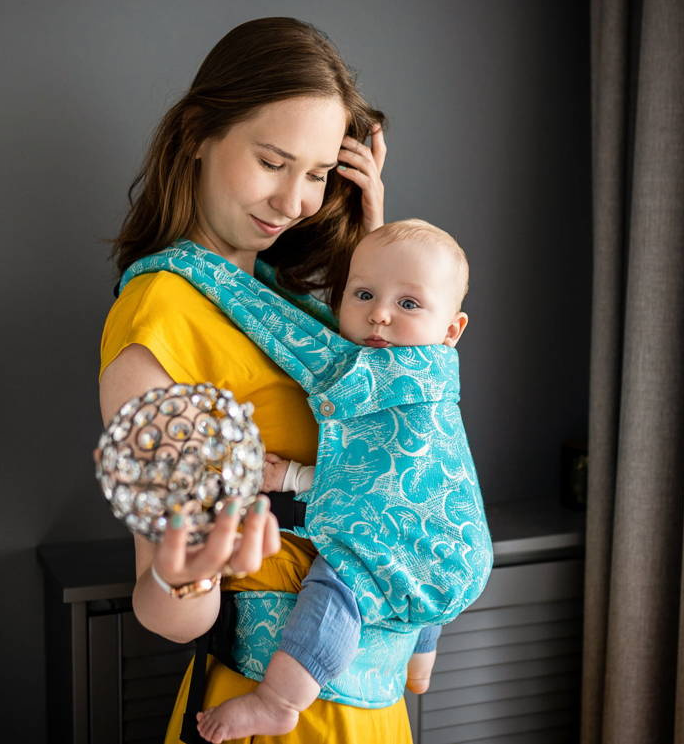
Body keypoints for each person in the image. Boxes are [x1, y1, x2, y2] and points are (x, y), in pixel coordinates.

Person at [98, 16, 404, 743]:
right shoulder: (159, 317)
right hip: (273, 716)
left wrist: (376, 244)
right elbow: (169, 613)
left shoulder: (287, 305)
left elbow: (401, 432)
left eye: (318, 174)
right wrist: (191, 571)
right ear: (198, 134)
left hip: (369, 709)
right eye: (273, 161)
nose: (295, 202)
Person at [193, 220, 474, 743]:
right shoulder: (435, 384)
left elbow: (360, 485)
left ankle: (279, 701)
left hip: (409, 540)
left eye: (408, 304)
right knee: (406, 564)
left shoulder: (382, 374)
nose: (380, 314)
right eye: (363, 295)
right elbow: (384, 482)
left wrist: (291, 475)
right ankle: (420, 662)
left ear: (451, 331)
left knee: (340, 583)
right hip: (451, 547)